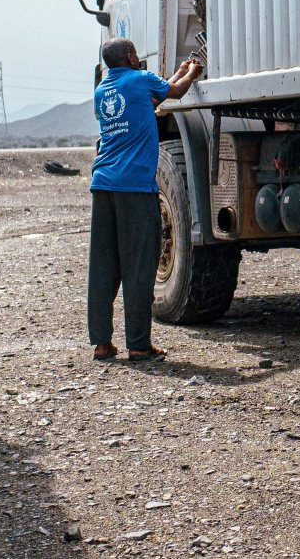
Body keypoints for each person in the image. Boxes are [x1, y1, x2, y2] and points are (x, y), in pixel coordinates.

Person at [88, 38, 202, 363]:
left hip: (103, 184)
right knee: (139, 265)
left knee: (104, 266)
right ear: (129, 56)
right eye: (136, 52)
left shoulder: (101, 92)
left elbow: (155, 96)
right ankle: (138, 345)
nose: (139, 56)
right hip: (135, 187)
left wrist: (179, 72)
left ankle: (101, 344)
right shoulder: (140, 78)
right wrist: (192, 72)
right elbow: (174, 92)